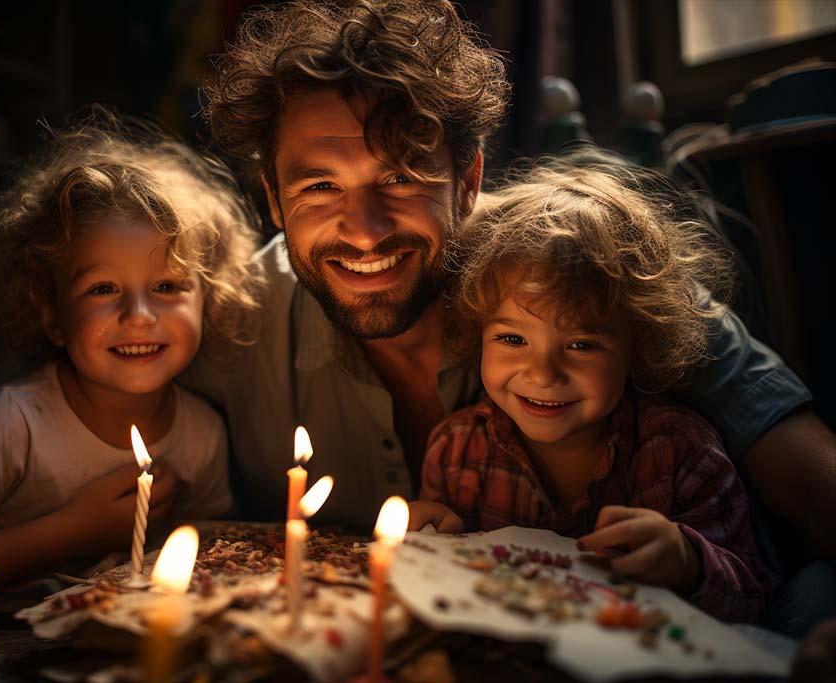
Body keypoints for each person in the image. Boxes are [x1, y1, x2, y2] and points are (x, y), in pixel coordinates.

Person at [190, 0, 835, 563]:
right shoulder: (233, 315)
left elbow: (805, 471)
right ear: (274, 200)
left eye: (402, 178)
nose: (363, 230)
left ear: (468, 180)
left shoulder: (577, 261)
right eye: (320, 186)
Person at [0, 112, 262, 602]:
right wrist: (75, 531)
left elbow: (205, 558)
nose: (139, 316)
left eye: (167, 286)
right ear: (52, 313)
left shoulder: (202, 434)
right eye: (103, 288)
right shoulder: (10, 424)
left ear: (210, 297)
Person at [408, 154, 771, 623]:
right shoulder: (455, 453)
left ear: (639, 345)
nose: (542, 373)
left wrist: (687, 563)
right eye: (513, 338)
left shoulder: (680, 455)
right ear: (478, 331)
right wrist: (434, 538)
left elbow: (755, 606)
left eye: (581, 344)